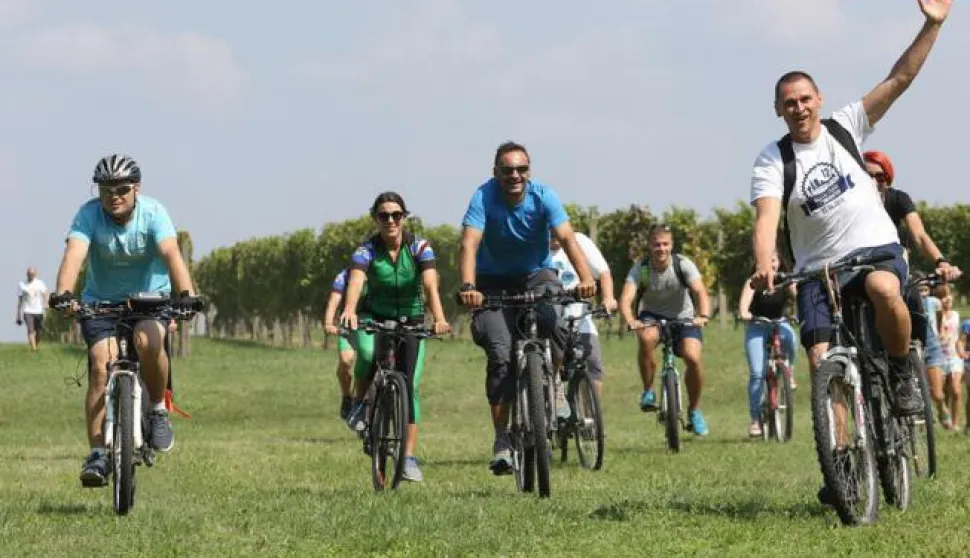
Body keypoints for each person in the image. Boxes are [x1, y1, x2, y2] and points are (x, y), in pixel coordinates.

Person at [750, 0, 952, 505]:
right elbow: (767, 218)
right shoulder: (773, 159)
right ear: (778, 110)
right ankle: (842, 461)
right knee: (823, 363)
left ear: (819, 99)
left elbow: (899, 79)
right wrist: (765, 262)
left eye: (804, 98)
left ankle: (903, 373)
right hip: (817, 272)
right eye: (787, 102)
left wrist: (932, 25)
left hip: (873, 253)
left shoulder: (846, 127)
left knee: (887, 288)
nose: (797, 108)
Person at [48, 154, 198, 488]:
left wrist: (185, 294)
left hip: (149, 300)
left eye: (122, 188)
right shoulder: (88, 215)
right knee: (101, 366)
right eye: (105, 189)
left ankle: (158, 410)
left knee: (149, 341)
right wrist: (64, 293)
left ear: (136, 189)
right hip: (100, 304)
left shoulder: (154, 213)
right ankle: (98, 453)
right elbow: (74, 254)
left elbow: (172, 254)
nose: (114, 195)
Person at [457, 140, 596, 476]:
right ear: (496, 173)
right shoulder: (483, 197)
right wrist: (468, 286)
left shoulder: (544, 196)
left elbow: (567, 238)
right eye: (508, 170)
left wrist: (586, 277)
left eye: (521, 169)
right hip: (491, 283)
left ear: (529, 172)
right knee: (502, 355)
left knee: (556, 323)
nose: (515, 176)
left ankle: (558, 389)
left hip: (537, 275)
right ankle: (502, 439)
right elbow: (469, 242)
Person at [340, 192, 451, 483]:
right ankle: (361, 403)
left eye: (396, 215)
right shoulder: (366, 252)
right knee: (365, 354)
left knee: (410, 386)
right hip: (374, 318)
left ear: (404, 217)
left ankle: (409, 456)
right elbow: (356, 281)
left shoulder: (420, 248)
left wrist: (438, 318)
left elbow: (430, 285)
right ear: (375, 219)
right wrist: (350, 310)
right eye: (383, 215)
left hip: (411, 320)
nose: (390, 220)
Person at [619, 223, 712, 436]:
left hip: (684, 318)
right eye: (656, 245)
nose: (661, 249)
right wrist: (631, 320)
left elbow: (700, 292)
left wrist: (704, 316)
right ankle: (648, 391)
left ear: (672, 246)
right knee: (646, 338)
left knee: (693, 357)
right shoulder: (640, 269)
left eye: (665, 244)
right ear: (649, 247)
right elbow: (626, 298)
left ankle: (694, 410)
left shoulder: (683, 265)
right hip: (652, 317)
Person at [549, 230, 617, 397]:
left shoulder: (579, 241)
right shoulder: (533, 244)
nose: (553, 234)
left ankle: (591, 418)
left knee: (593, 363)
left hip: (579, 319)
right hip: (548, 320)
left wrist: (608, 298)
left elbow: (603, 273)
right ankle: (551, 398)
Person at [737, 252, 798, 438]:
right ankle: (755, 420)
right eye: (765, 260)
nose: (770, 264)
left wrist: (800, 309)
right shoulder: (753, 281)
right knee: (757, 372)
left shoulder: (785, 280)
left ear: (779, 262)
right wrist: (744, 313)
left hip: (779, 322)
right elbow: (744, 305)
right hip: (757, 326)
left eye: (773, 260)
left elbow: (797, 296)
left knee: (792, 339)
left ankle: (789, 370)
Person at [913, 272, 948, 427]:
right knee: (918, 389)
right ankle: (922, 423)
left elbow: (939, 318)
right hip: (913, 346)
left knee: (937, 393)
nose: (922, 293)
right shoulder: (907, 301)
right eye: (919, 290)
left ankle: (941, 407)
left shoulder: (934, 302)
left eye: (925, 289)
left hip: (931, 344)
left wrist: (939, 333)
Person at [322, 268, 356, 420]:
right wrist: (329, 322)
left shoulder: (379, 272)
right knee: (345, 361)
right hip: (349, 327)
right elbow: (334, 299)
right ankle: (347, 396)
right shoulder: (344, 276)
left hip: (374, 324)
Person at [936, 284, 963, 430]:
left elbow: (957, 337)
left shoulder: (956, 316)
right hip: (939, 359)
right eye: (942, 297)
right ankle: (945, 422)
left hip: (954, 358)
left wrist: (961, 352)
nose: (946, 299)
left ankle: (955, 423)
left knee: (956, 390)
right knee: (941, 393)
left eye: (948, 295)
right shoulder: (936, 316)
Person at [16, 267, 48, 352]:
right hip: (27, 310)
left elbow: (45, 294)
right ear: (27, 274)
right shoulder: (22, 284)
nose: (31, 276)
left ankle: (35, 346)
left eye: (33, 274)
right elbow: (20, 300)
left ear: (35, 274)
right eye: (29, 274)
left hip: (38, 311)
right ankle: (34, 349)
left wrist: (46, 304)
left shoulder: (40, 283)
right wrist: (18, 315)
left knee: (38, 332)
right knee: (31, 330)